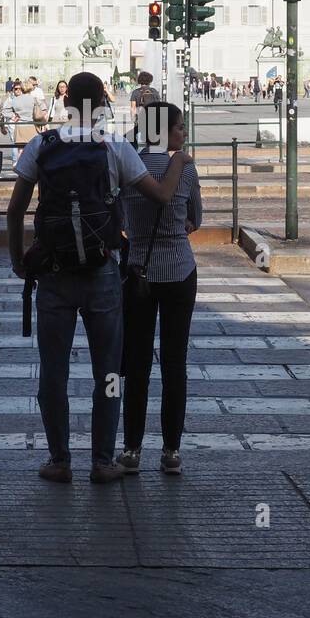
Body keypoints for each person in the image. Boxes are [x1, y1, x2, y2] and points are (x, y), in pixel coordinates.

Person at [7, 72, 191, 485]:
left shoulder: (43, 143)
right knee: (106, 372)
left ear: (67, 100)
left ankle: (59, 460)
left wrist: (21, 260)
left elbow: (15, 209)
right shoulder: (115, 147)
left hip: (53, 274)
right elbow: (160, 196)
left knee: (53, 370)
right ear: (103, 105)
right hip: (102, 272)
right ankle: (103, 461)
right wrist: (178, 161)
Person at [120, 102, 202, 477]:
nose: (183, 134)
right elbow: (196, 219)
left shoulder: (128, 165)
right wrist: (178, 226)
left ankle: (132, 450)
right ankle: (171, 451)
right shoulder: (184, 168)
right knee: (175, 363)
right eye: (179, 128)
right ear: (164, 131)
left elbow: (118, 218)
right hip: (181, 272)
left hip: (139, 273)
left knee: (136, 364)